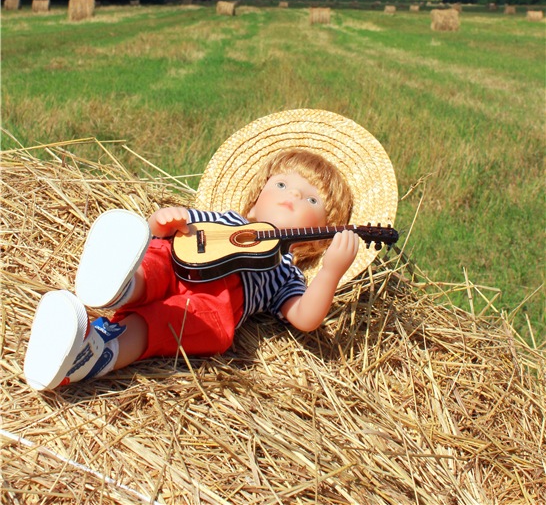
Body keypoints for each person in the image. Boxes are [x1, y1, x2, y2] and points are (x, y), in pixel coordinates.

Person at [23, 109, 398, 392]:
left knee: (174, 326)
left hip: (207, 309)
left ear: (316, 238)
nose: (293, 195)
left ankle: (95, 352)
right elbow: (173, 225)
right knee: (157, 258)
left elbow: (304, 317)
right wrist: (161, 223)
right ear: (253, 203)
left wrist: (331, 270)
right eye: (282, 184)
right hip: (174, 263)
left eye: (310, 198)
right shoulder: (226, 220)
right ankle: (119, 283)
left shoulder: (285, 271)